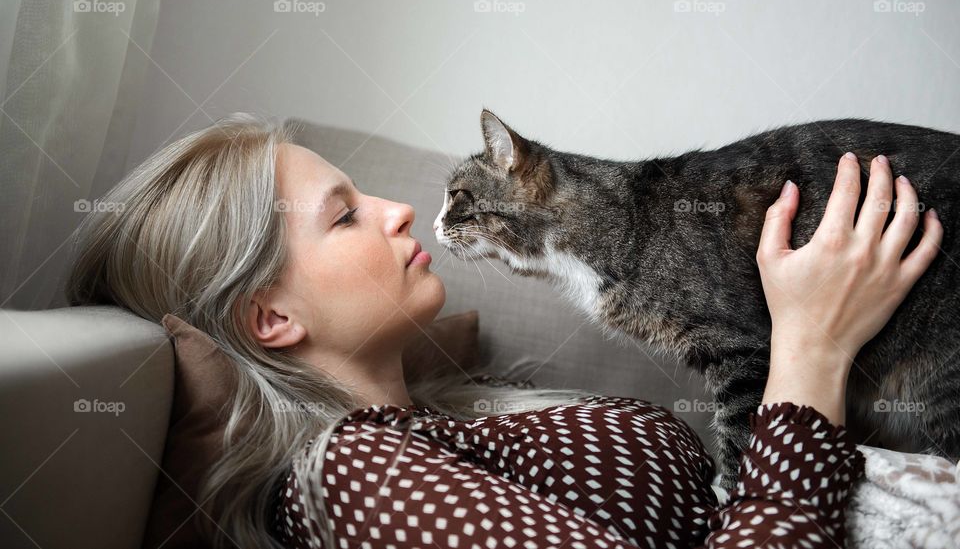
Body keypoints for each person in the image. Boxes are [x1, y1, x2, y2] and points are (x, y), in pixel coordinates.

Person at [67, 115, 943, 548]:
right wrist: (812, 347)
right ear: (272, 317)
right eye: (345, 215)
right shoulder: (359, 473)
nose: (399, 209)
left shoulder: (451, 411)